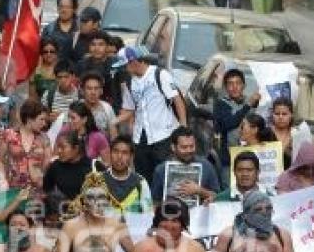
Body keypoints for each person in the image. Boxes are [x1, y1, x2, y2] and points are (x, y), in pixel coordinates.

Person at [116, 46, 187, 182]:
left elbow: (177, 99)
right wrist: (114, 121)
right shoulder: (129, 82)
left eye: (125, 66)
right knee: (143, 179)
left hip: (163, 136)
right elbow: (129, 109)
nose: (125, 69)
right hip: (140, 139)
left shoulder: (160, 75)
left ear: (134, 61)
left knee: (165, 177)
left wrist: (183, 128)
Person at [151, 127, 220, 206]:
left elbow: (218, 197)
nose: (189, 150)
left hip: (200, 215)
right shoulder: (161, 170)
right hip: (171, 215)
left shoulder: (206, 166)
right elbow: (155, 202)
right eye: (184, 147)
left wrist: (199, 191)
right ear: (173, 147)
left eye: (192, 146)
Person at [0, 98, 53, 192]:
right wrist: (2, 179)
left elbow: (48, 163)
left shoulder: (44, 138)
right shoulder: (9, 134)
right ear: (29, 118)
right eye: (41, 119)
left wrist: (42, 176)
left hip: (36, 190)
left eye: (45, 120)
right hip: (13, 189)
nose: (44, 123)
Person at [212, 69, 261, 166]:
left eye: (238, 83)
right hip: (228, 160)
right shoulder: (221, 104)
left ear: (244, 85)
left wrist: (255, 105)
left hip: (250, 157)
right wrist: (248, 106)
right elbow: (227, 124)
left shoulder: (250, 101)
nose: (234, 87)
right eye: (230, 84)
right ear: (225, 87)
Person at [100, 136, 153, 213]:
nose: (119, 157)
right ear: (110, 153)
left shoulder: (141, 183)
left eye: (124, 153)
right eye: (115, 151)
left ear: (131, 157)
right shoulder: (98, 181)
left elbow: (148, 213)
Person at [43, 130, 92, 201]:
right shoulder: (55, 166)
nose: (59, 151)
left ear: (76, 149)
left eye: (63, 147)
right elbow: (47, 191)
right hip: (61, 210)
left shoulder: (92, 166)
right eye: (58, 147)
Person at [41, 0, 78, 65]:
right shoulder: (49, 29)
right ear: (58, 9)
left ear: (74, 10)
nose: (64, 10)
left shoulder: (80, 29)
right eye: (61, 7)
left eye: (67, 7)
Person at [80, 72, 118, 137]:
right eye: (89, 88)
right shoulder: (76, 107)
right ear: (82, 91)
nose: (93, 92)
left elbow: (113, 135)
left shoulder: (107, 108)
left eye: (96, 88)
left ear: (101, 91)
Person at [41, 60, 80, 124]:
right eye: (60, 77)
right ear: (56, 78)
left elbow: (83, 120)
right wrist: (48, 119)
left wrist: (61, 118)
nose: (63, 80)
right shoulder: (48, 95)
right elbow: (41, 118)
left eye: (66, 77)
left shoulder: (80, 96)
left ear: (73, 77)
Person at [270, 97, 295, 167]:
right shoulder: (265, 133)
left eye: (284, 114)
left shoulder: (297, 134)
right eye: (277, 114)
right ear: (272, 115)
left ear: (291, 115)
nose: (280, 117)